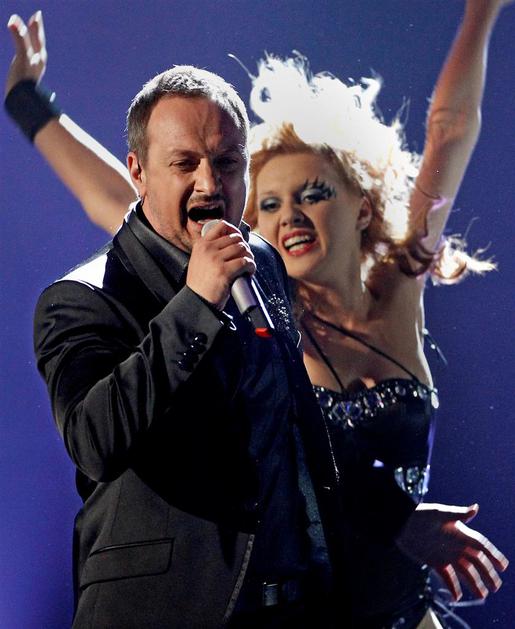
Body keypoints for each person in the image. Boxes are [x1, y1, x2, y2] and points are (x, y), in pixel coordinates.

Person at [4, 3, 510, 628]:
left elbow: (449, 134)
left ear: (361, 204)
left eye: (313, 194)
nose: (289, 215)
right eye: (271, 204)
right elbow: (116, 194)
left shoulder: (372, 290)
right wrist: (27, 101)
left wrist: (481, 13)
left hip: (361, 601)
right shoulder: (216, 282)